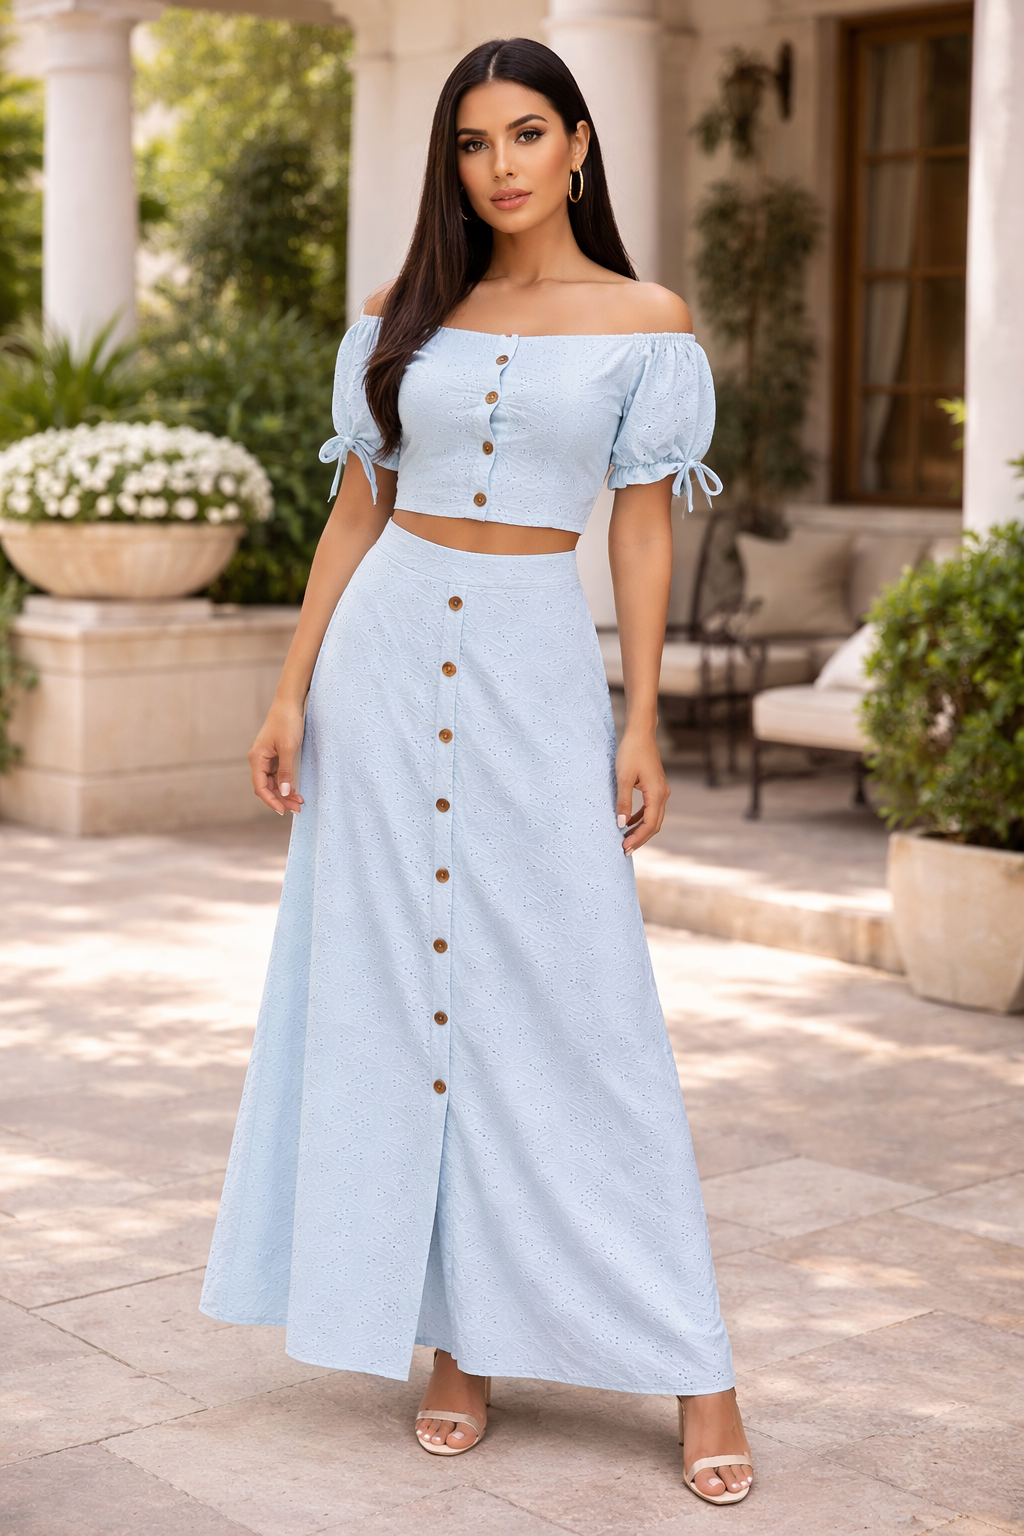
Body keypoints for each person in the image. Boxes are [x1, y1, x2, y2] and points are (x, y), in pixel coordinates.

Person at [200, 36, 752, 1507]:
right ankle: (454, 1339)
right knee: (403, 1006)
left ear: (578, 144)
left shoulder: (646, 322)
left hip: (533, 668)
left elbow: (642, 528)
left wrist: (639, 719)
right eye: (469, 142)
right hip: (383, 674)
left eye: (524, 135)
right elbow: (352, 515)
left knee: (588, 1013)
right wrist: (290, 686)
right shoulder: (401, 317)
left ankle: (697, 1362)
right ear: (450, 163)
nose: (498, 166)